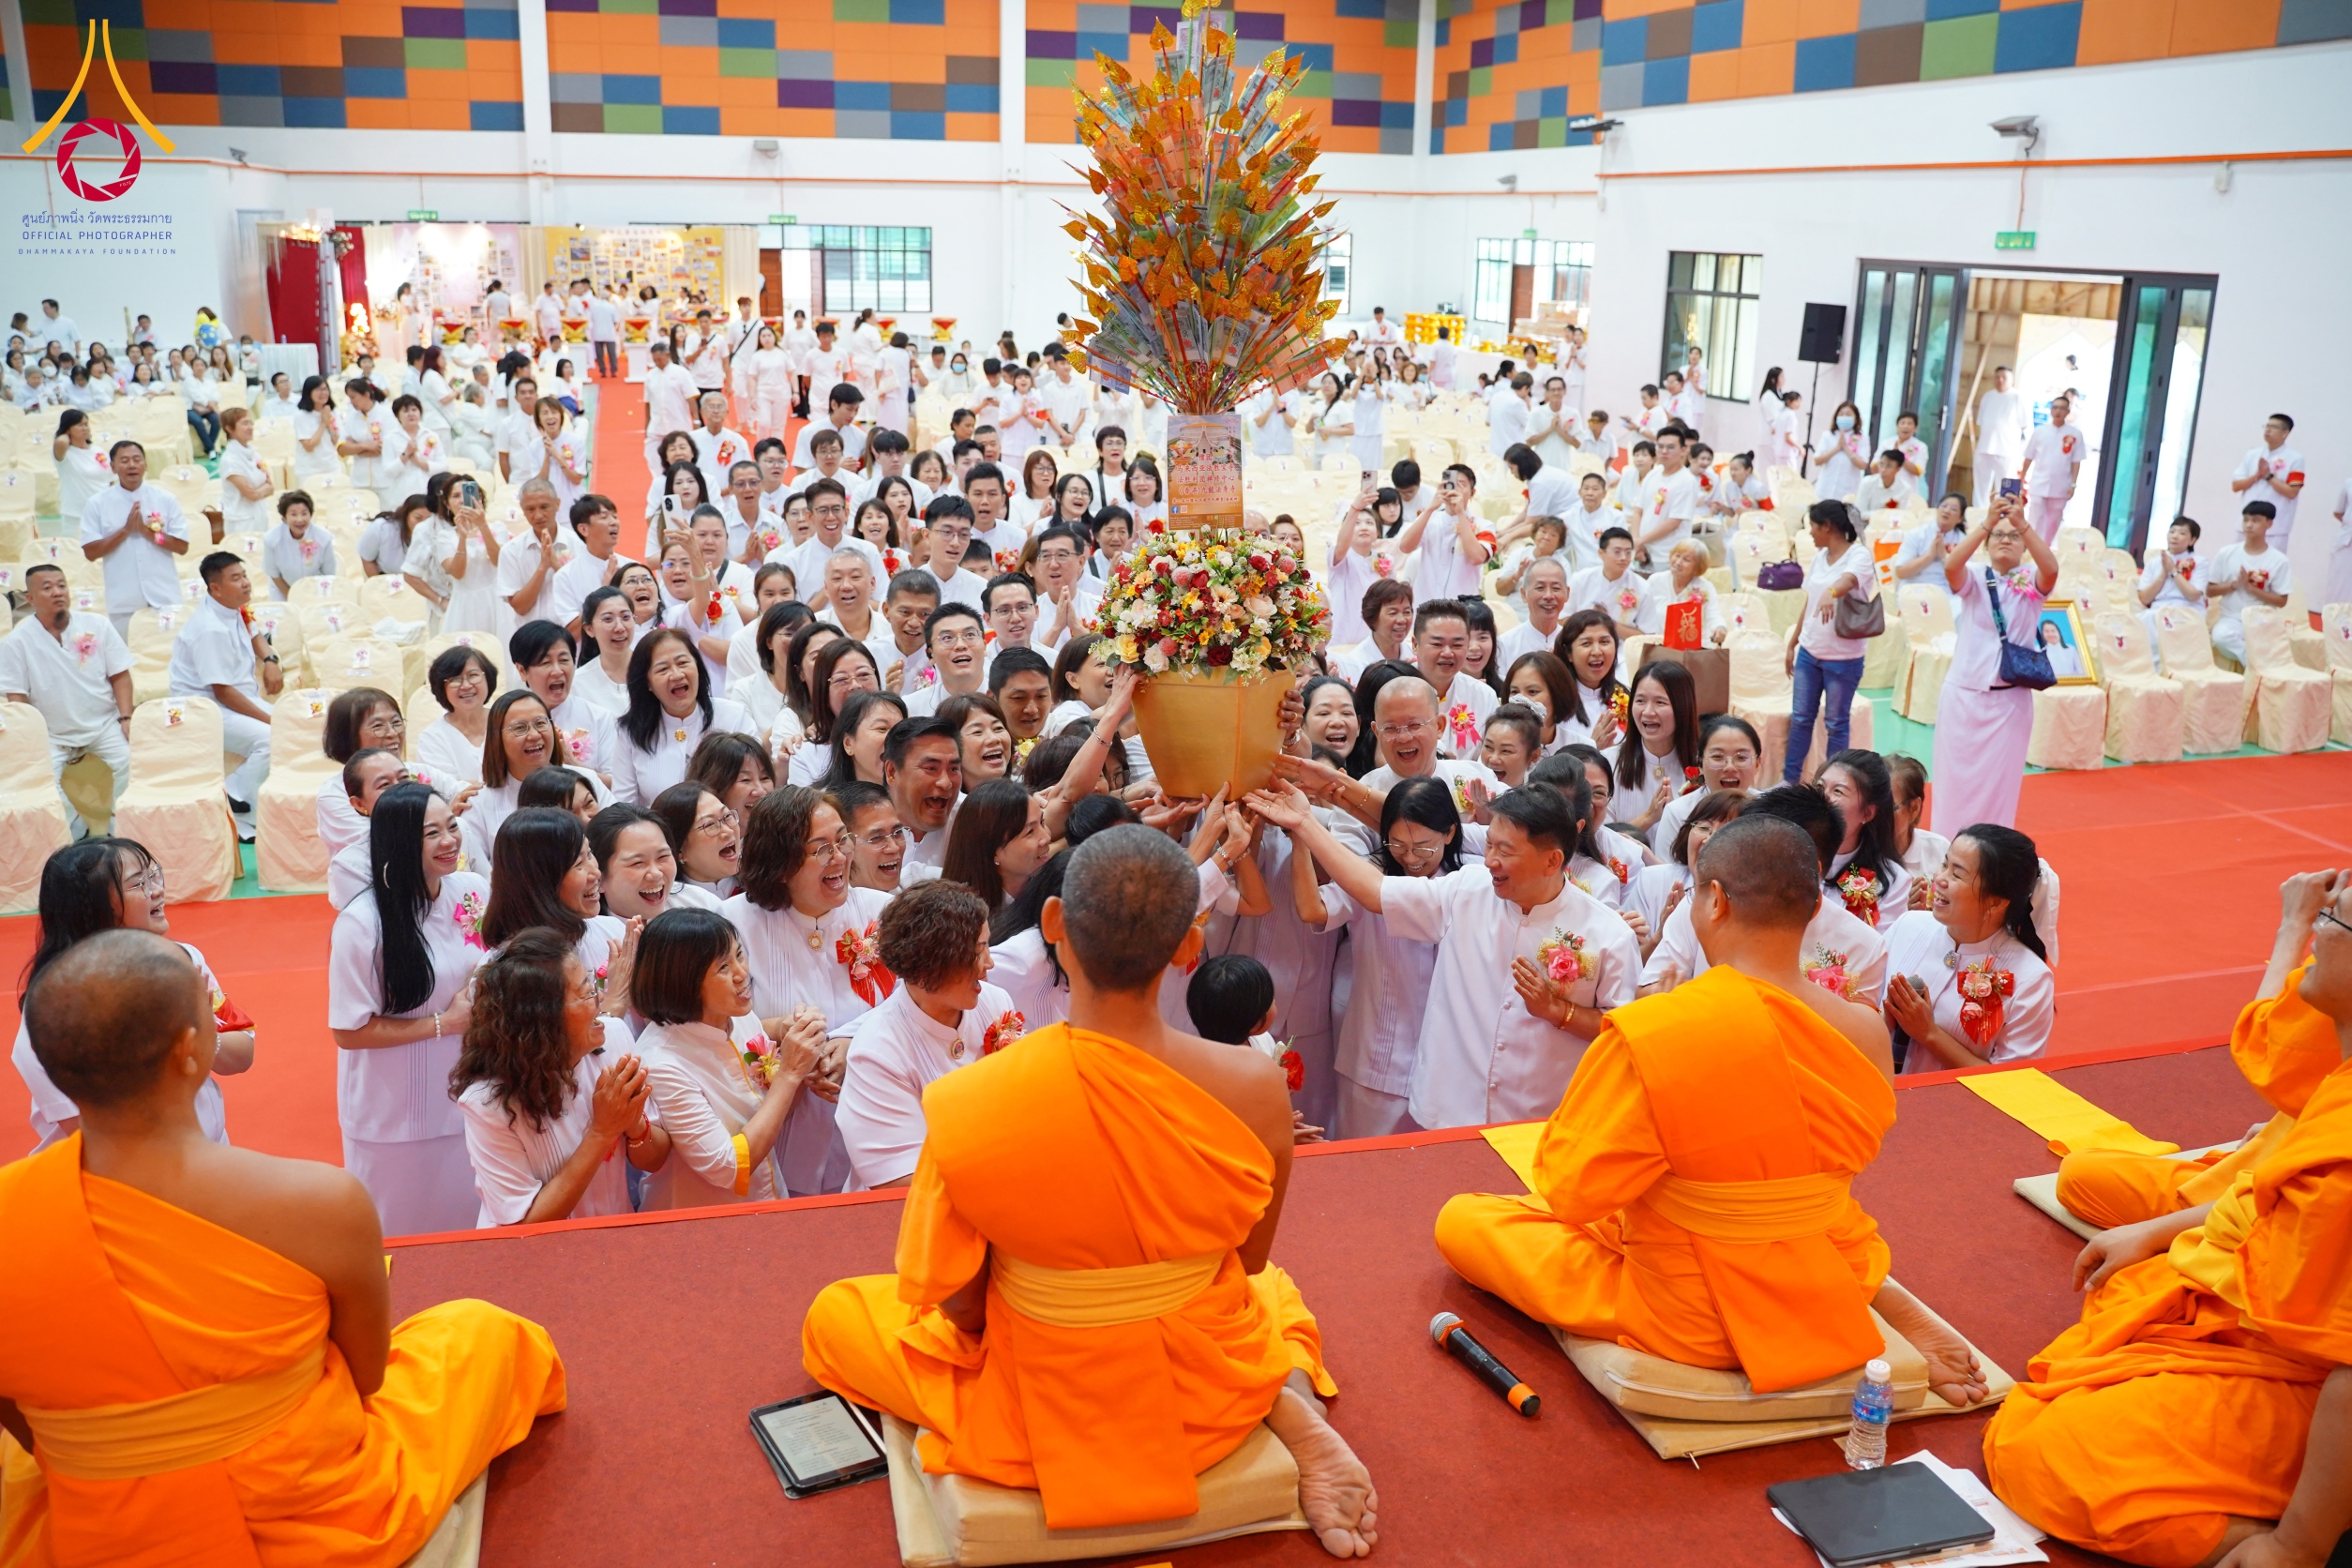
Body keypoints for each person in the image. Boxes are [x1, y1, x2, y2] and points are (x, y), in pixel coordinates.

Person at [800, 825, 1377, 1550]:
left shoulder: (973, 1099)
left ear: (1053, 925)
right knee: (1273, 1291)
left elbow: (961, 1302)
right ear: (1188, 945)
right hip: (1208, 1384)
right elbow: (1249, 1259)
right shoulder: (1256, 1084)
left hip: (1042, 1401)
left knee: (837, 1314)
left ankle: (1236, 1402)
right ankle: (1280, 1398)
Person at [0, 927, 565, 1561]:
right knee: (483, 1333)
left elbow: (18, 1420)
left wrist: (124, 1447)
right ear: (190, 1049)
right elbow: (366, 1376)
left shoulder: (12, 1212)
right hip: (308, 1511)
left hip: (104, 1521)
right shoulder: (319, 1202)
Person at [1430, 814, 1987, 1406]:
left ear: (1715, 901)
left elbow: (1573, 1191)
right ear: (1810, 910)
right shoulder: (1865, 1030)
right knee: (1778, 1204)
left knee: (1466, 1220)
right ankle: (1869, 1294)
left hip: (1693, 1315)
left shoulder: (1661, 1028)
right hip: (1828, 1269)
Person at [1982, 867, 2352, 1568]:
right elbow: (2265, 1198)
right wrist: (2156, 1233)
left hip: (2303, 1373)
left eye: (2332, 924)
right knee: (2107, 1314)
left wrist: (2297, 1545)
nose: (2317, 935)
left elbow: (2350, 1367)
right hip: (2241, 1301)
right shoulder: (2342, 1078)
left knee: (2048, 1454)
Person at [1252, 776, 1638, 1131]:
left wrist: (1558, 1011)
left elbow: (1621, 1034)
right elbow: (1374, 891)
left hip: (1540, 1120)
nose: (1490, 860)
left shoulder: (1607, 934)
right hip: (1447, 1111)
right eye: (1489, 844)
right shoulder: (1467, 890)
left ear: (1552, 860)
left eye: (1505, 851)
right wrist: (1305, 823)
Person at [10, 838, 256, 1154]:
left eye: (154, 875)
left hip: (205, 1156)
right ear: (94, 907)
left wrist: (205, 1036)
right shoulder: (51, 1015)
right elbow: (100, 1141)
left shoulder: (185, 960)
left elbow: (243, 1055)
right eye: (139, 883)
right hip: (125, 1175)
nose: (157, 890)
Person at [326, 784, 490, 1237]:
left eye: (452, 826)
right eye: (431, 833)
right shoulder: (362, 923)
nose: (449, 841)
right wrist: (444, 1024)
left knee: (470, 1232)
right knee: (405, 1239)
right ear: (399, 841)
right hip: (393, 1116)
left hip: (469, 1097)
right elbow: (349, 1030)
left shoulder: (472, 891)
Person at [723, 787, 896, 1195]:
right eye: (820, 849)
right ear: (781, 864)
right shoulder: (733, 923)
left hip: (868, 1119)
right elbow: (713, 1024)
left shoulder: (883, 911)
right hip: (776, 1121)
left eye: (842, 840)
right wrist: (780, 1033)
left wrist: (852, 1040)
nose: (839, 857)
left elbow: (913, 1000)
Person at [451, 928, 671, 1225]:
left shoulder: (614, 1039)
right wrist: (602, 1132)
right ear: (543, 1018)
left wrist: (633, 1122)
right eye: (585, 993)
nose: (599, 998)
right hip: (534, 1249)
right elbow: (525, 1223)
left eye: (592, 985)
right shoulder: (487, 1103)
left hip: (613, 1234)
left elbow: (656, 1160)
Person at [835, 880, 1022, 1190]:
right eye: (976, 952)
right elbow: (900, 1180)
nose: (989, 964)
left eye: (987, 945)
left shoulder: (995, 1002)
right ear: (929, 966)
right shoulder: (876, 1052)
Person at [1930, 494, 2059, 835]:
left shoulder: (2031, 580)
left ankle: (1991, 857)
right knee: (1952, 783)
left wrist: (2022, 523)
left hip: (2009, 704)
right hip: (1962, 697)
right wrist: (1987, 521)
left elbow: (2052, 569)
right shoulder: (1975, 576)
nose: (2006, 540)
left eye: (2013, 536)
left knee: (2000, 788)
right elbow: (1951, 566)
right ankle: (1946, 850)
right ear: (1986, 543)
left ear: (2024, 545)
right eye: (1998, 535)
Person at [1882, 823, 2054, 1072]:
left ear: (1996, 902)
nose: (1939, 879)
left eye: (1957, 874)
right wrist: (1883, 1019)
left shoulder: (2030, 979)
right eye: (1944, 865)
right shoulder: (1908, 925)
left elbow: (2011, 1082)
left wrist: (1929, 1033)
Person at [0, 565, 133, 837]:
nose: (57, 592)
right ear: (30, 598)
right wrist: (31, 740)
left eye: (62, 585)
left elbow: (120, 675)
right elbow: (17, 698)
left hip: (105, 724)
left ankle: (120, 829)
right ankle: (77, 831)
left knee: (132, 762)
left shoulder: (97, 625)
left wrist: (126, 717)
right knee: (39, 782)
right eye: (47, 588)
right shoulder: (16, 642)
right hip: (52, 733)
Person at [168, 551, 282, 833]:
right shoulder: (210, 629)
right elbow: (223, 693)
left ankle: (243, 798)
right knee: (272, 737)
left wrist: (270, 660)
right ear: (215, 588)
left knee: (290, 725)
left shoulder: (233, 606)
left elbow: (254, 632)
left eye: (244, 575)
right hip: (205, 708)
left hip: (237, 696)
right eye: (236, 579)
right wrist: (269, 720)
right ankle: (238, 800)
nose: (245, 583)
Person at [1784, 500, 1877, 782]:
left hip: (1843, 659)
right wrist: (1793, 643)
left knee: (1836, 724)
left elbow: (1848, 581)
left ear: (1827, 526)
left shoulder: (1859, 555)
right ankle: (1789, 781)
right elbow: (1809, 603)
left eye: (1812, 526)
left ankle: (1833, 784)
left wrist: (1831, 591)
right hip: (1809, 653)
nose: (1809, 532)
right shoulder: (1818, 557)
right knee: (1800, 719)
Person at [79, 441, 189, 638]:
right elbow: (90, 552)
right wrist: (126, 531)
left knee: (168, 650)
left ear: (145, 465)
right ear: (113, 467)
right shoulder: (97, 504)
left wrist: (147, 533)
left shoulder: (165, 499)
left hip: (165, 596)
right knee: (127, 652)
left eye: (137, 460)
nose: (132, 465)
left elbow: (181, 547)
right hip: (123, 601)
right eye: (124, 461)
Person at [2207, 501, 2293, 667]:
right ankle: (2261, 666)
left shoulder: (2279, 560)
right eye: (2245, 520)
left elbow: (2282, 601)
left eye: (2255, 520)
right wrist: (2233, 586)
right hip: (2231, 618)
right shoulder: (2226, 553)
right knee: (2221, 638)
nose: (2249, 525)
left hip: (2261, 618)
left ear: (2269, 524)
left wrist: (2250, 589)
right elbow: (2210, 590)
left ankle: (2258, 667)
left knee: (2269, 644)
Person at [1394, 463, 1492, 599]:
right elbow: (1405, 547)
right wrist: (1430, 508)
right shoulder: (1429, 518)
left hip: (1462, 605)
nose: (1455, 489)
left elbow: (1477, 558)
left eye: (1461, 484)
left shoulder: (1485, 525)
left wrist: (1460, 513)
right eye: (1451, 483)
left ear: (1472, 492)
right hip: (1425, 604)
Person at [2227, 412, 2306, 554]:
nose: (2268, 430)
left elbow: (2292, 492)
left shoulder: (2295, 459)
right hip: (2246, 524)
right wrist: (2256, 476)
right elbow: (2236, 486)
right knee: (2237, 562)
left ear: (2285, 433)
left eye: (2273, 427)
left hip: (2275, 527)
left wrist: (2268, 476)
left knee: (2269, 565)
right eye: (2266, 426)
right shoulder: (2252, 455)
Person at [2018, 395, 2084, 542]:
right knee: (2035, 518)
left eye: (2062, 408)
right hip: (2039, 481)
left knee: (2054, 520)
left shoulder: (2075, 434)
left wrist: (2073, 484)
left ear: (2068, 411)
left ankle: (2046, 548)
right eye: (2055, 408)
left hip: (2061, 485)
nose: (2058, 411)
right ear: (2050, 410)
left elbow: (2076, 461)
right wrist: (2021, 478)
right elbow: (2029, 456)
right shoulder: (2040, 432)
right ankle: (2031, 547)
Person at [1969, 366, 2028, 509]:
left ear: (2011, 380)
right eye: (1997, 377)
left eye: (2004, 377)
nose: (2000, 380)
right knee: (1981, 485)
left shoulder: (2018, 397)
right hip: (1985, 447)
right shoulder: (1988, 396)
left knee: (2005, 484)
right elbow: (1981, 422)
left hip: (2006, 449)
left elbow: (2025, 426)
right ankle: (1979, 511)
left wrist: (2022, 451)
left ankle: (2004, 511)